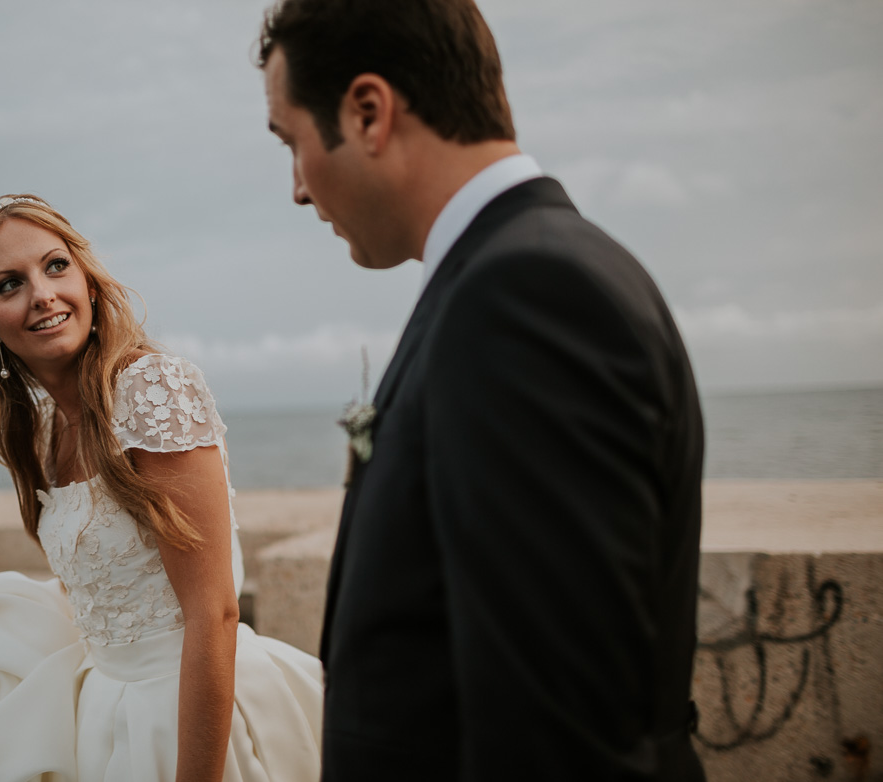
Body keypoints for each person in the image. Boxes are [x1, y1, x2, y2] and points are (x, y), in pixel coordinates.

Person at [257, 1, 706, 779]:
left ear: (368, 112)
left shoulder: (525, 297)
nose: (296, 188)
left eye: (291, 142)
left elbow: (559, 735)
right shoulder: (524, 269)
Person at [0, 195, 323, 782]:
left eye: (55, 266)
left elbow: (215, 611)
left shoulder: (153, 389)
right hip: (104, 715)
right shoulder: (45, 426)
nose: (42, 295)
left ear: (90, 283)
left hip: (196, 712)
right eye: (9, 284)